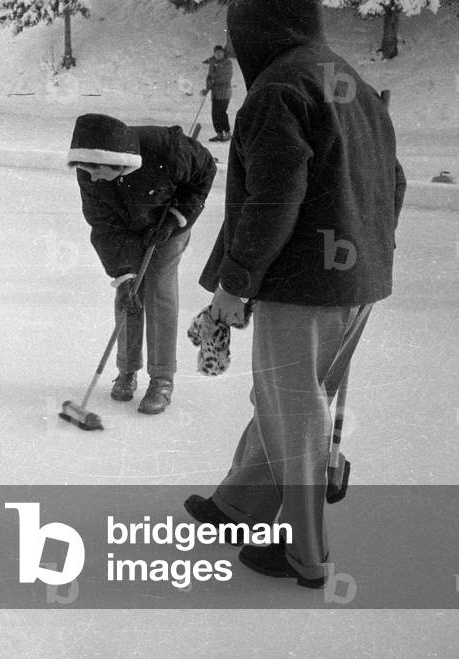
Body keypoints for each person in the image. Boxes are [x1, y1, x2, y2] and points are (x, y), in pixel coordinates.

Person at [185, 0, 406, 588]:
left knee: (291, 409)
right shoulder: (350, 80)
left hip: (302, 284)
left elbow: (274, 198)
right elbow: (395, 181)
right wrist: (372, 251)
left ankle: (303, 554)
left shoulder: (278, 88)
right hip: (356, 278)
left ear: (255, 30)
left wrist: (236, 282)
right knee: (290, 402)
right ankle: (241, 505)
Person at [67, 114, 217, 415]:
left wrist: (178, 216)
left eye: (95, 170)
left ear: (116, 161)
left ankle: (162, 378)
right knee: (128, 293)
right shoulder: (90, 172)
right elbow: (102, 224)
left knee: (158, 289)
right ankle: (127, 370)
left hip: (168, 224)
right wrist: (123, 272)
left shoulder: (167, 149)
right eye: (85, 170)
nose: (91, 178)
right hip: (126, 228)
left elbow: (205, 171)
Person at [202, 45, 233, 142]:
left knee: (221, 113)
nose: (218, 55)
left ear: (223, 53)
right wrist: (207, 89)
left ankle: (227, 133)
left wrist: (214, 82)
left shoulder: (227, 63)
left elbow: (226, 77)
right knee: (215, 114)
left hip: (224, 92)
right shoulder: (213, 62)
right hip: (215, 93)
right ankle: (219, 134)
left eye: (220, 53)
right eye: (216, 53)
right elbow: (209, 77)